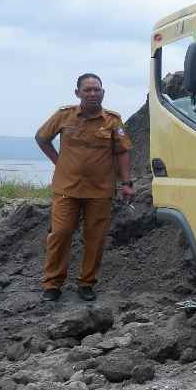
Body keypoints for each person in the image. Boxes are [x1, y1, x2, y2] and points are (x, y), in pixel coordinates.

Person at [35, 73, 134, 301]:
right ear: (77, 93)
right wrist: (58, 161)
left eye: (96, 89)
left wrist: (127, 183)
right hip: (67, 189)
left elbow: (123, 151)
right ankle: (52, 284)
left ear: (103, 93)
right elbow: (41, 138)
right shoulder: (64, 116)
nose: (92, 94)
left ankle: (86, 283)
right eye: (87, 90)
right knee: (60, 234)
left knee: (95, 238)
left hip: (100, 191)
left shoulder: (113, 121)